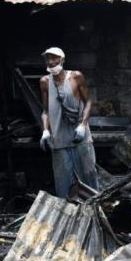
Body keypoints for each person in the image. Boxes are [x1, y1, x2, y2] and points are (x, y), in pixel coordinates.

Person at [39, 47, 99, 198]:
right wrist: (45, 131)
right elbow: (45, 111)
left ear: (63, 60)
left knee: (89, 179)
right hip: (59, 140)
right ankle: (68, 217)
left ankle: (95, 213)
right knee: (63, 184)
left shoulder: (76, 77)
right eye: (48, 59)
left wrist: (83, 125)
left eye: (54, 58)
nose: (51, 62)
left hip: (80, 138)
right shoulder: (45, 82)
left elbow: (88, 102)